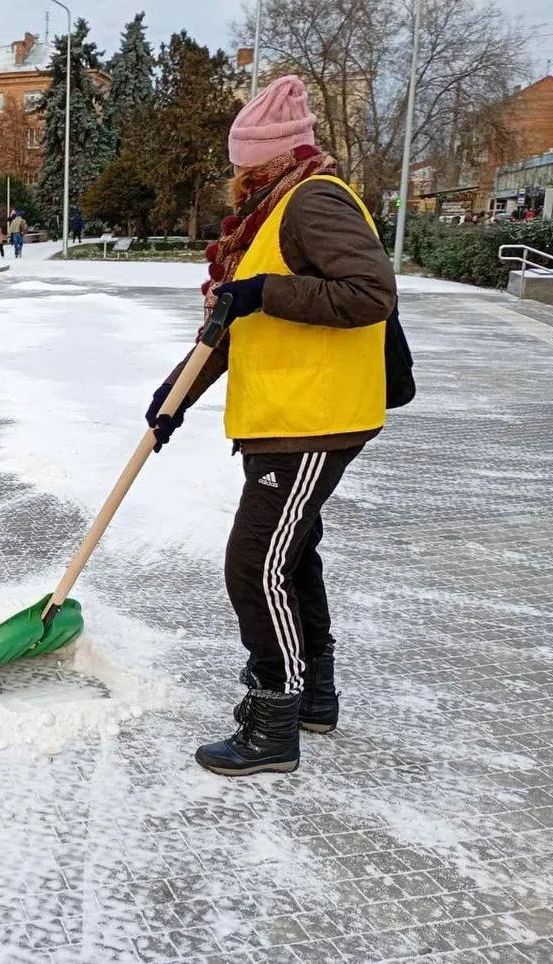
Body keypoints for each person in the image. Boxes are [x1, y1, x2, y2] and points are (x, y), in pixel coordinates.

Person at [145, 75, 397, 777]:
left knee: (256, 563)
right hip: (288, 415)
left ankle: (273, 720)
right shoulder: (268, 214)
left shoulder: (313, 201)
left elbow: (371, 292)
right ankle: (313, 697)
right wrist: (175, 397)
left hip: (315, 417)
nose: (237, 177)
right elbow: (232, 329)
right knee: (289, 555)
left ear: (270, 158)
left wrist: (266, 291)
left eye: (244, 163)